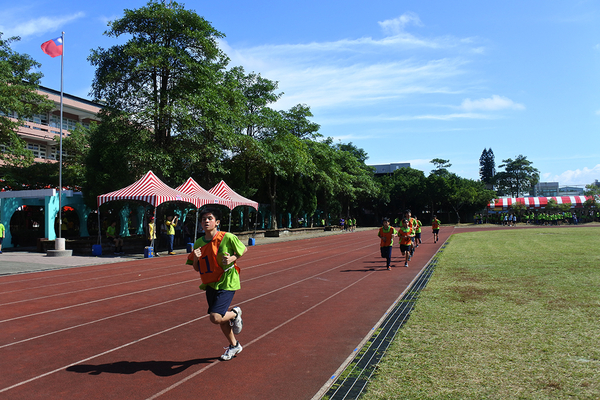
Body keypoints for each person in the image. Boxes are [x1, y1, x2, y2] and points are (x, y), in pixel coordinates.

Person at [187, 207, 246, 361]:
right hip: (210, 283)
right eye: (203, 219)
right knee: (220, 317)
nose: (206, 221)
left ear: (217, 222)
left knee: (215, 317)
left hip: (227, 280)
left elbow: (243, 249)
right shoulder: (199, 243)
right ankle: (234, 345)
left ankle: (235, 313)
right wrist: (196, 258)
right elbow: (196, 268)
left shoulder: (227, 237)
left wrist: (232, 259)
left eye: (210, 218)